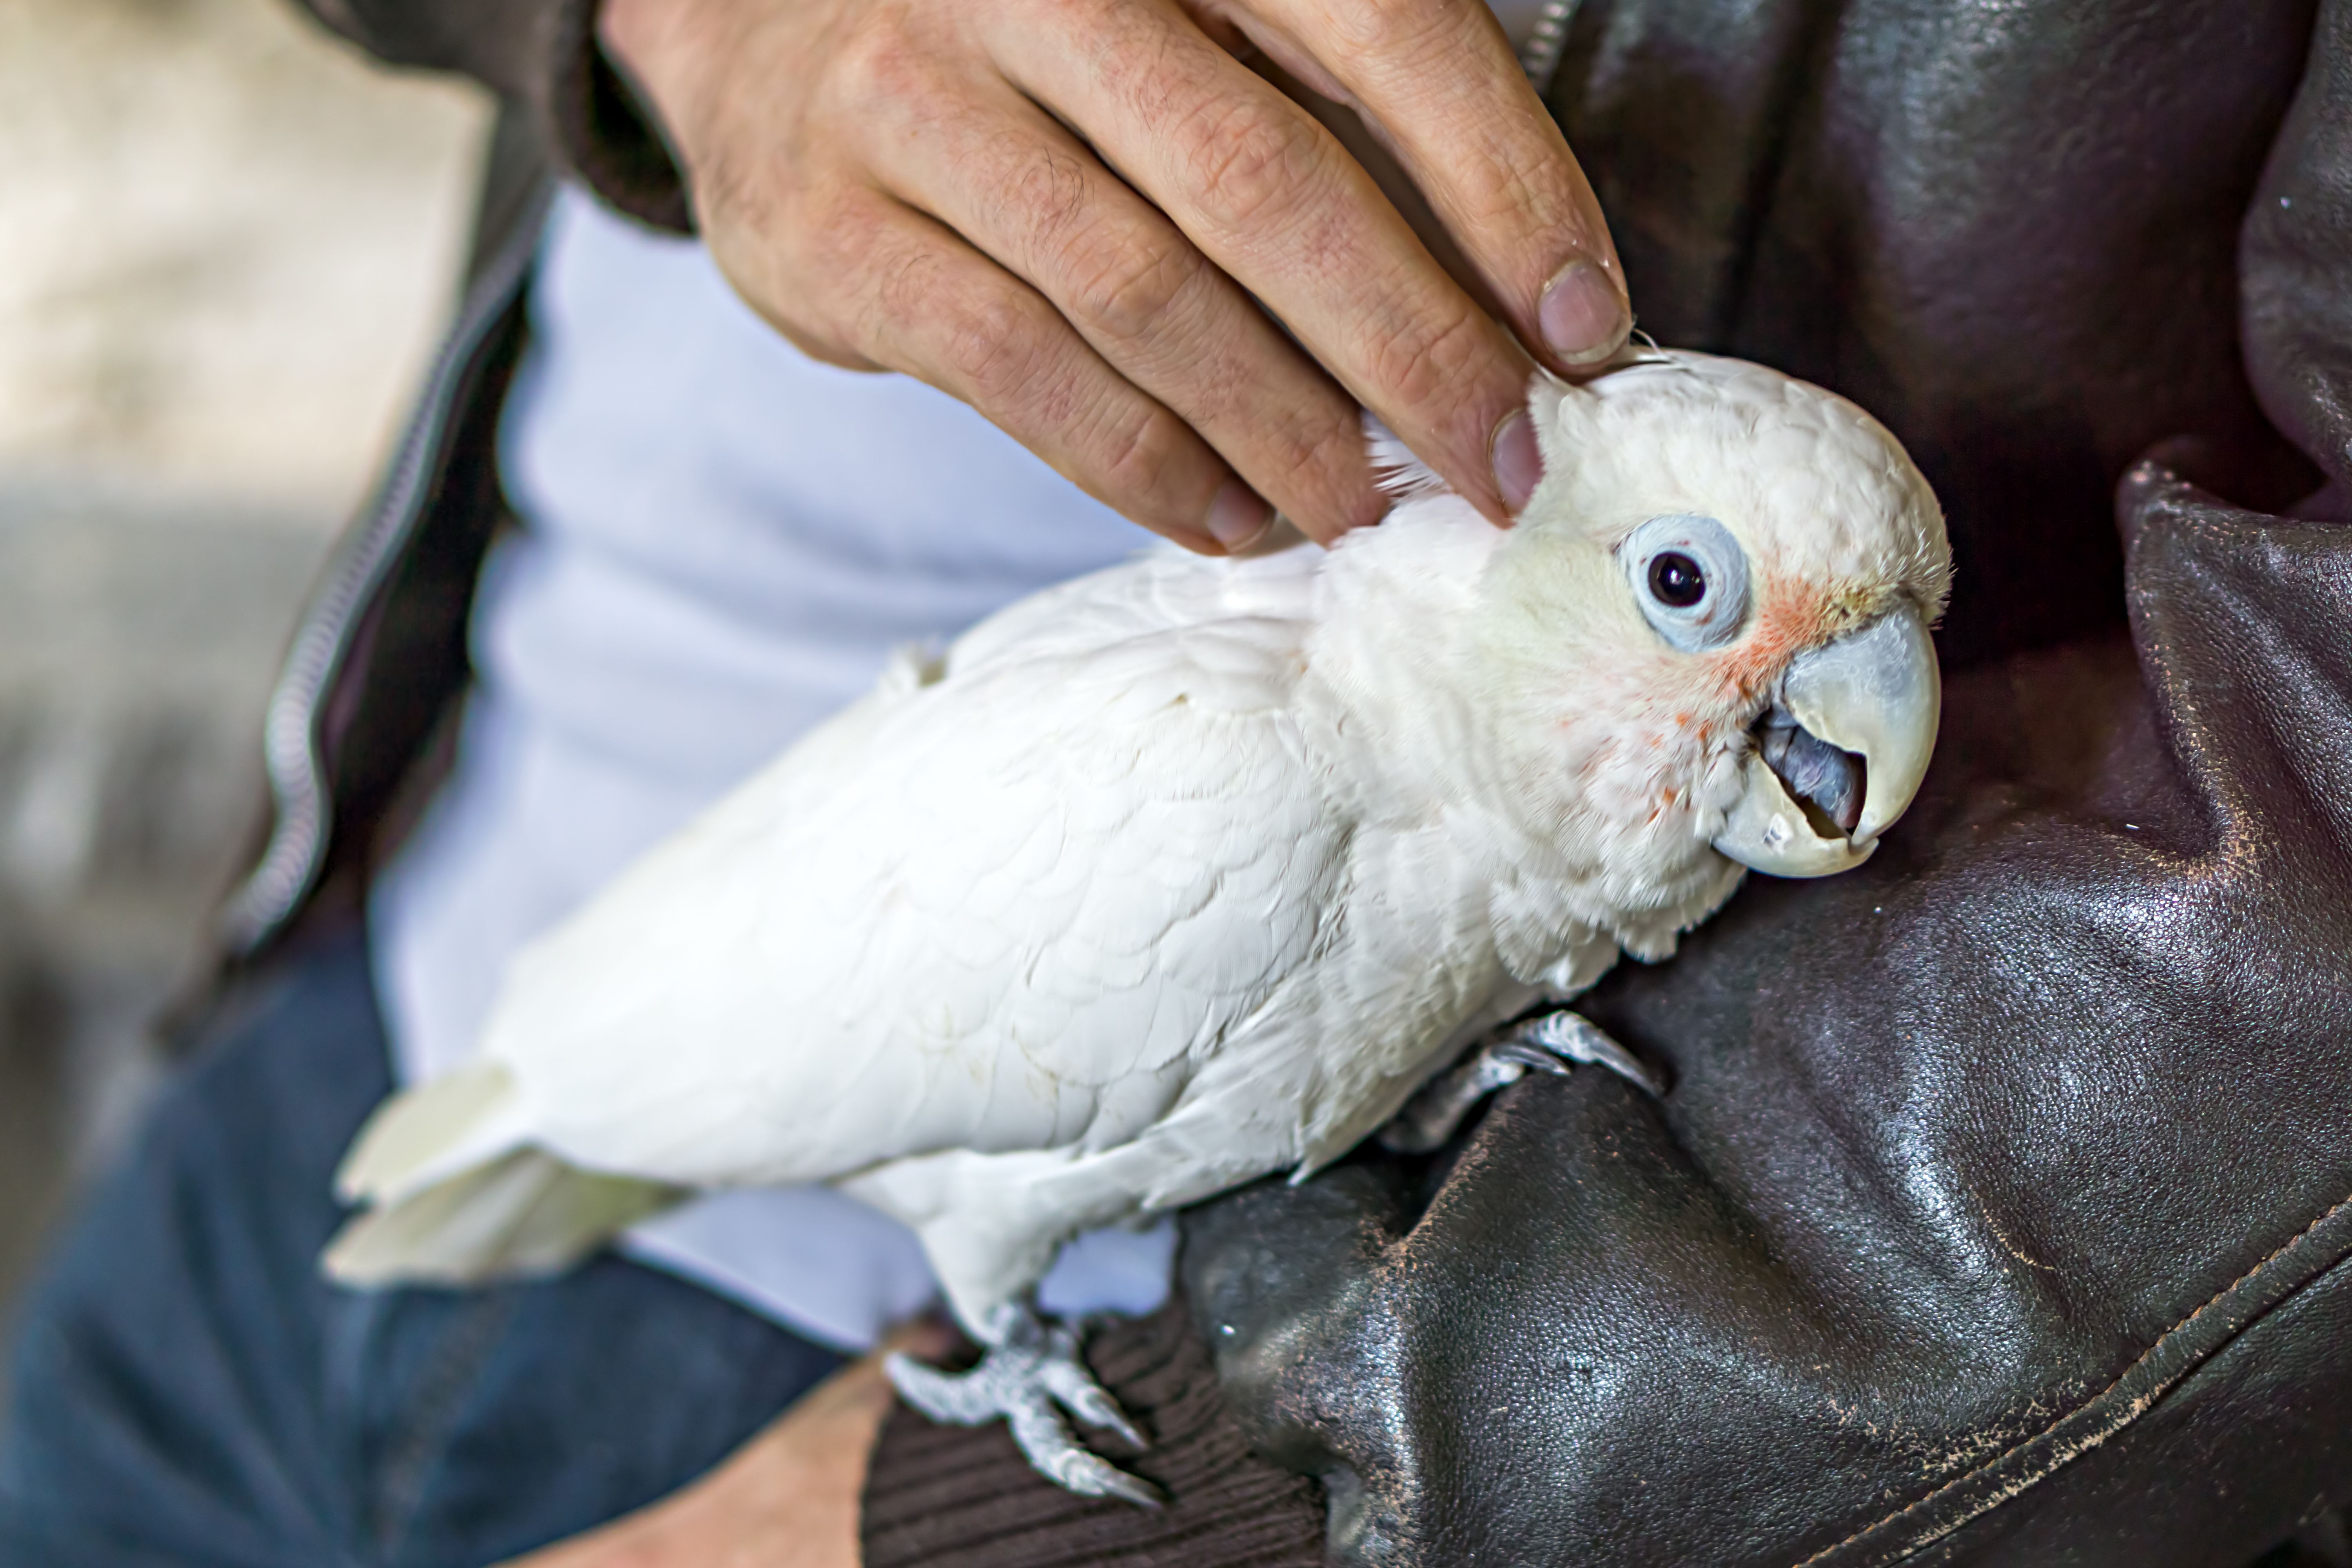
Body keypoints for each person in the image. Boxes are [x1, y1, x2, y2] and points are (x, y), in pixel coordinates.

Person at [11, 0, 2352, 1564]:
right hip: (384, 947)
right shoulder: (1253, 783)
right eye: (1681, 588)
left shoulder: (1477, 833)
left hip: (952, 1433)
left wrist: (1108, 1481)